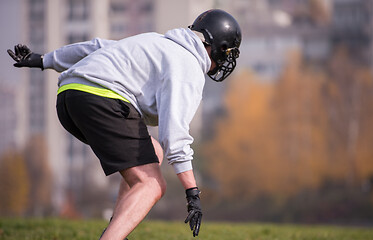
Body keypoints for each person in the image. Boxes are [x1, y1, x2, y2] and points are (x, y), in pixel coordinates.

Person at [7, 9, 242, 239]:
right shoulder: (189, 67)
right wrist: (192, 193)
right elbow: (175, 135)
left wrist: (42, 60)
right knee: (152, 185)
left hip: (69, 98)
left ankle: (117, 228)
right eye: (228, 53)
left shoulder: (155, 40)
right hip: (102, 99)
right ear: (220, 48)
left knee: (154, 153)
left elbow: (96, 47)